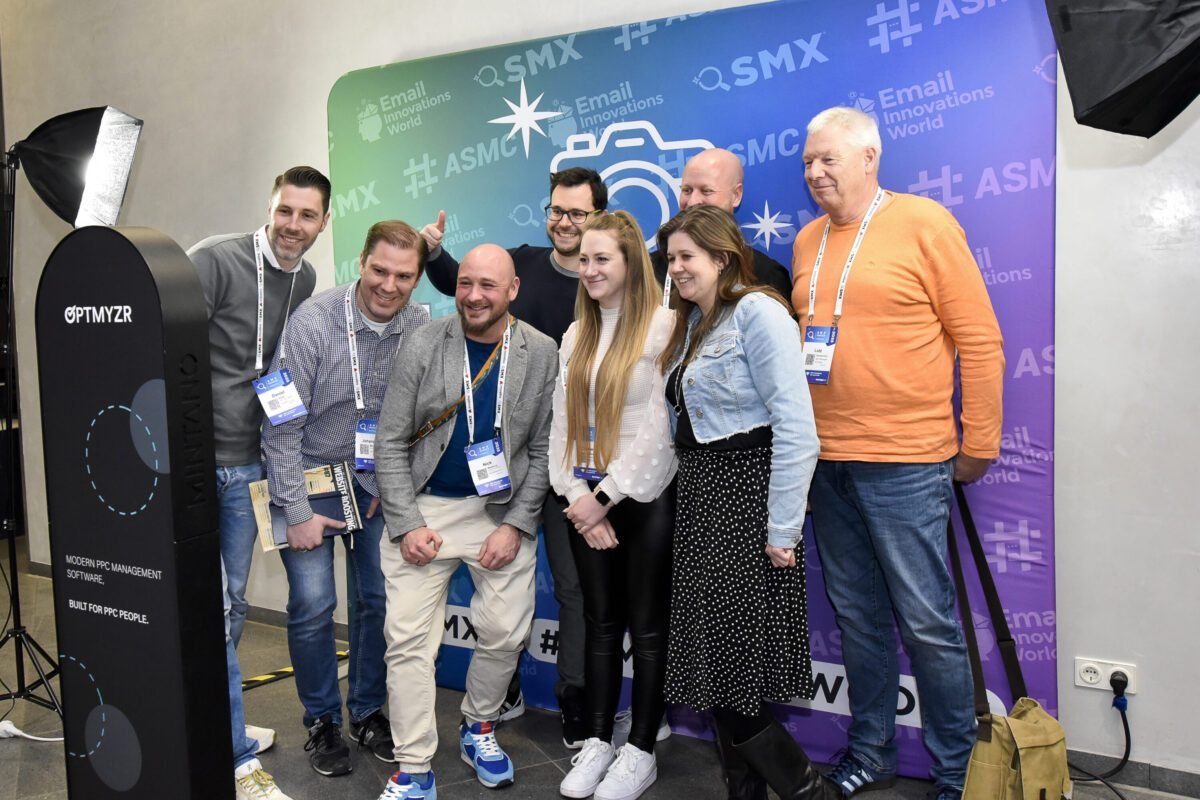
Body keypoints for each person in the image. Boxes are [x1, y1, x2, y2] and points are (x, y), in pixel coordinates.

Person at [793, 106, 1004, 800]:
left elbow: (980, 341)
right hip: (827, 464)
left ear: (869, 158)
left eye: (828, 159)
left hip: (907, 462)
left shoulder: (924, 223)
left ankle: (956, 772)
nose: (815, 172)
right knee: (858, 619)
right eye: (807, 161)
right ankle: (872, 751)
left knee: (928, 624)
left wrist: (979, 443)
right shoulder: (808, 240)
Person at [418, 167, 608, 747]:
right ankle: (502, 691)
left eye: (577, 213)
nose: (564, 222)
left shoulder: (607, 278)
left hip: (578, 463)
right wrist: (434, 254)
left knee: (574, 589)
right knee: (496, 590)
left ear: (599, 217)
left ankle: (574, 697)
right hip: (511, 466)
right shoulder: (521, 262)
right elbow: (469, 290)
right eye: (557, 210)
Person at [658, 204, 839, 800]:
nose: (676, 268)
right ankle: (746, 790)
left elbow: (797, 428)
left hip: (745, 500)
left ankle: (807, 792)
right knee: (717, 665)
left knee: (732, 667)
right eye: (671, 258)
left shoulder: (759, 312)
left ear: (722, 257)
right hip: (701, 499)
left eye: (687, 256)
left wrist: (782, 529)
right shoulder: (691, 323)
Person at [372, 244, 558, 799]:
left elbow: (544, 449)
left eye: (488, 286)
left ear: (513, 290)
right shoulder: (425, 343)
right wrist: (407, 524)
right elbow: (389, 441)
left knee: (505, 630)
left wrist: (517, 525)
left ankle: (479, 727)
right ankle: (413, 768)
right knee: (408, 642)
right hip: (425, 506)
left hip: (497, 511)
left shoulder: (541, 351)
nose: (474, 296)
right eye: (465, 284)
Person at [260, 221, 431, 777]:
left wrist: (388, 484)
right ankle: (322, 721)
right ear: (361, 262)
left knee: (377, 599)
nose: (389, 286)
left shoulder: (420, 324)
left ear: (416, 278)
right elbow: (280, 424)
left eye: (403, 276)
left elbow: (418, 421)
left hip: (375, 480)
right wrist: (296, 510)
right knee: (314, 605)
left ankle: (366, 711)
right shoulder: (313, 321)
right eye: (379, 270)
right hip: (309, 476)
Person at [188, 165, 332, 799]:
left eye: (307, 215)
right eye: (285, 211)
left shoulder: (307, 279)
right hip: (200, 463)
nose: (292, 226)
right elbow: (164, 352)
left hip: (252, 463)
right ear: (270, 208)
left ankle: (216, 718)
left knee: (234, 604)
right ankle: (237, 758)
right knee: (217, 607)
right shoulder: (214, 261)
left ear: (323, 222)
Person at [549, 212, 677, 800]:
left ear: (631, 264)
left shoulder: (664, 327)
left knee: (647, 630)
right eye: (585, 259)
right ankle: (598, 741)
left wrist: (603, 499)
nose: (590, 269)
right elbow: (560, 429)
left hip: (643, 498)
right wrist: (579, 498)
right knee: (601, 625)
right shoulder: (576, 334)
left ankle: (641, 751)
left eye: (603, 259)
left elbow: (659, 431)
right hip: (586, 500)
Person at [651, 148, 793, 308]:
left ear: (736, 195)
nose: (692, 201)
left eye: (706, 191)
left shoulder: (766, 274)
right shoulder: (649, 269)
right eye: (687, 190)